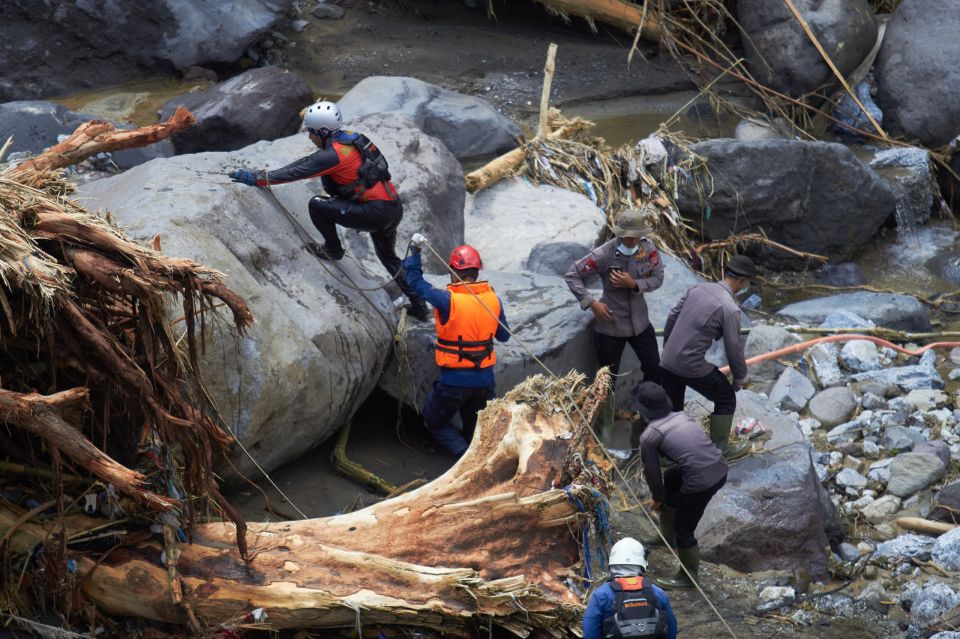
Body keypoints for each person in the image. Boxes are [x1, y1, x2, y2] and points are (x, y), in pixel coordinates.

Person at [227, 100, 430, 321]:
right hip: (392, 205)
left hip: (375, 213)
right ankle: (420, 307)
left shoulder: (332, 155)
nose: (309, 137)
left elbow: (297, 171)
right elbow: (306, 161)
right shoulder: (350, 138)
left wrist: (258, 178)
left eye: (311, 132)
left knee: (317, 204)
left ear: (323, 132)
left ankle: (333, 250)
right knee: (389, 258)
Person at [564, 207, 665, 447]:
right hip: (610, 324)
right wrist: (591, 303)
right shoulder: (604, 255)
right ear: (620, 234)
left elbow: (658, 278)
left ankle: (647, 423)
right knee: (606, 379)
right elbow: (572, 275)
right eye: (628, 236)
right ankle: (603, 434)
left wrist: (635, 283)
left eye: (636, 236)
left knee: (654, 368)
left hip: (640, 323)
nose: (632, 240)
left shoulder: (648, 249)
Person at [402, 236, 509, 456]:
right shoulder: (493, 300)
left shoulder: (447, 299)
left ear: (453, 271)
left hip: (454, 382)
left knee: (434, 420)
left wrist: (414, 251)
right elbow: (504, 336)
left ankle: (463, 458)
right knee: (476, 427)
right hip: (484, 381)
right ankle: (478, 457)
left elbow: (415, 282)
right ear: (477, 271)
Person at [659, 255, 756, 459]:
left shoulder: (697, 288)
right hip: (690, 366)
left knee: (674, 409)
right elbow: (733, 347)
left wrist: (668, 347)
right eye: (747, 282)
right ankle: (720, 450)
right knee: (726, 398)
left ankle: (665, 458)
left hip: (667, 361)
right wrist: (741, 377)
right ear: (742, 281)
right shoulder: (729, 308)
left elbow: (672, 316)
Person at [634, 382, 727, 590]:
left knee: (684, 529)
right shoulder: (681, 416)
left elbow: (652, 474)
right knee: (673, 476)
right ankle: (667, 535)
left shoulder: (649, 436)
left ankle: (688, 577)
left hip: (700, 482)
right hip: (720, 468)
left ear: (643, 410)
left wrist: (658, 498)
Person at [582, 537, 677, 639]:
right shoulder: (658, 593)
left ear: (612, 563)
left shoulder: (601, 595)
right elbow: (671, 631)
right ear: (642, 563)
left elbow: (589, 634)